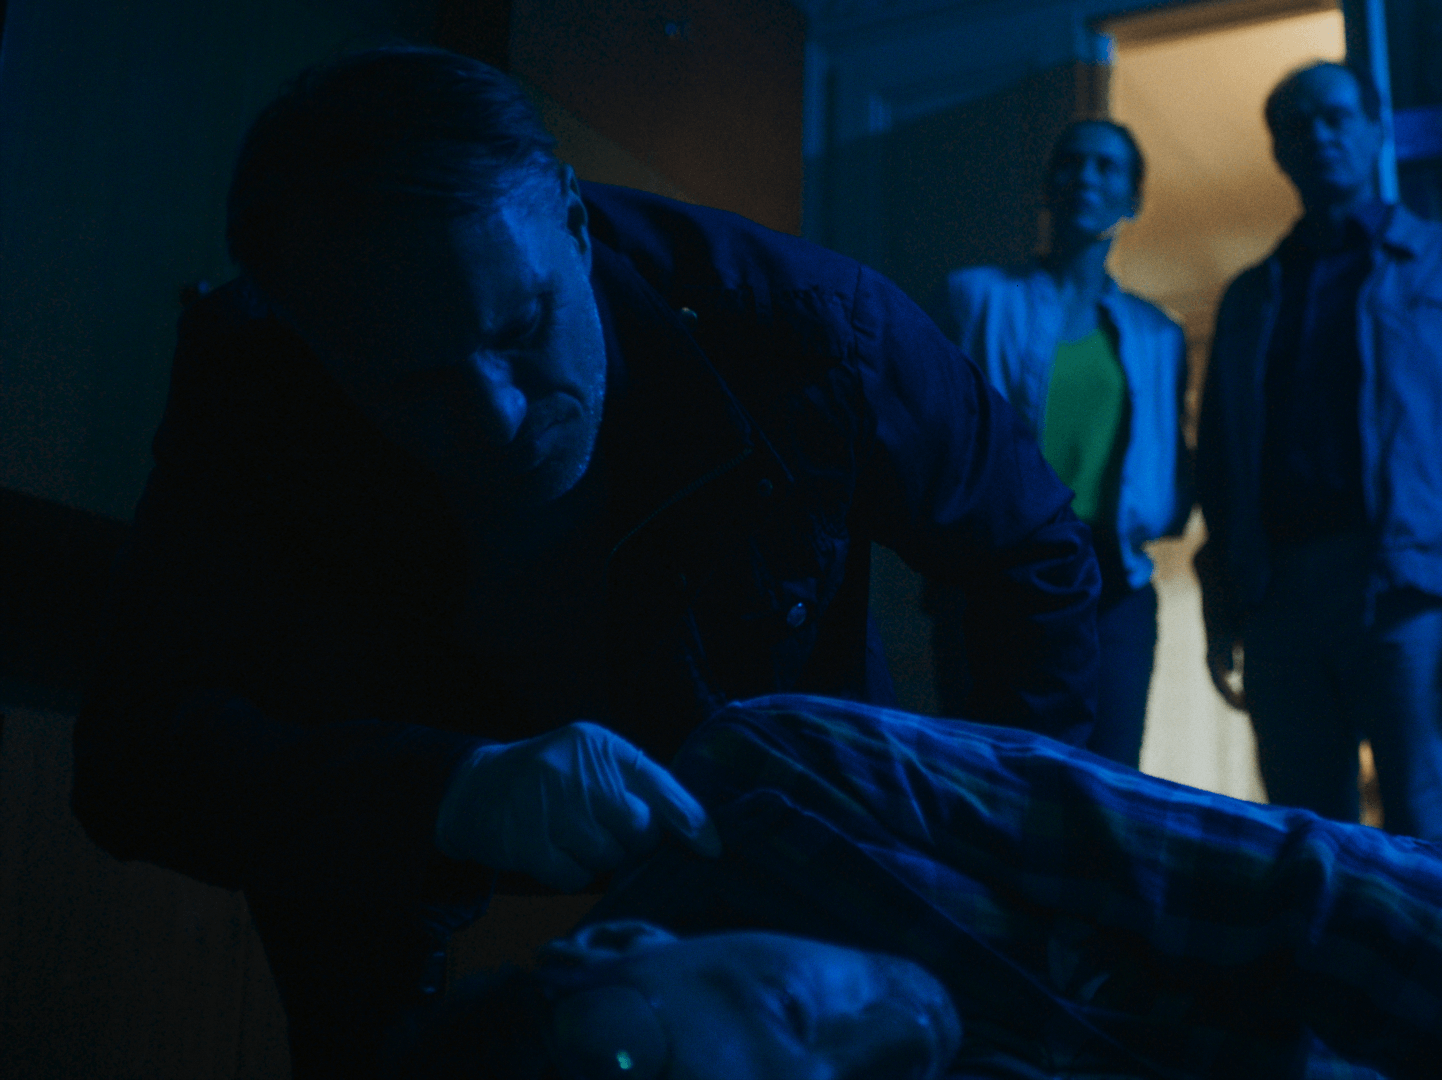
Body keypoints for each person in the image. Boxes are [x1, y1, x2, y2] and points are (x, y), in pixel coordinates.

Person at [70, 46, 1101, 1077]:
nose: (499, 419)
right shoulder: (250, 382)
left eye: (524, 326)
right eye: (408, 383)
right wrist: (453, 792)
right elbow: (130, 759)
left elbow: (1029, 551)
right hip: (385, 912)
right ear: (306, 339)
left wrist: (994, 856)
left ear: (572, 216)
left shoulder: (809, 326)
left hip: (787, 855)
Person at [387, 693, 1442, 1080]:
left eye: (798, 1011)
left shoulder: (778, 785)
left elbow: (1312, 893)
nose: (899, 1042)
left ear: (622, 940)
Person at [1195, 61, 1442, 839]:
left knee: (1429, 830)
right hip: (1279, 596)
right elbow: (1219, 467)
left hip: (1409, 589)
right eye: (1297, 126)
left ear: (1374, 128)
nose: (1318, 136)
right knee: (1303, 841)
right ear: (1279, 153)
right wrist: (1222, 613)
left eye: (1335, 118)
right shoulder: (1251, 296)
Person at [944, 120, 1189, 768]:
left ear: (1132, 199)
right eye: (1073, 162)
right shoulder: (978, 298)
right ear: (1049, 184)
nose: (1086, 176)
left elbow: (1169, 460)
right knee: (992, 770)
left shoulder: (1157, 335)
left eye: (1108, 167)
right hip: (1000, 569)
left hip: (1115, 582)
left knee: (1107, 780)